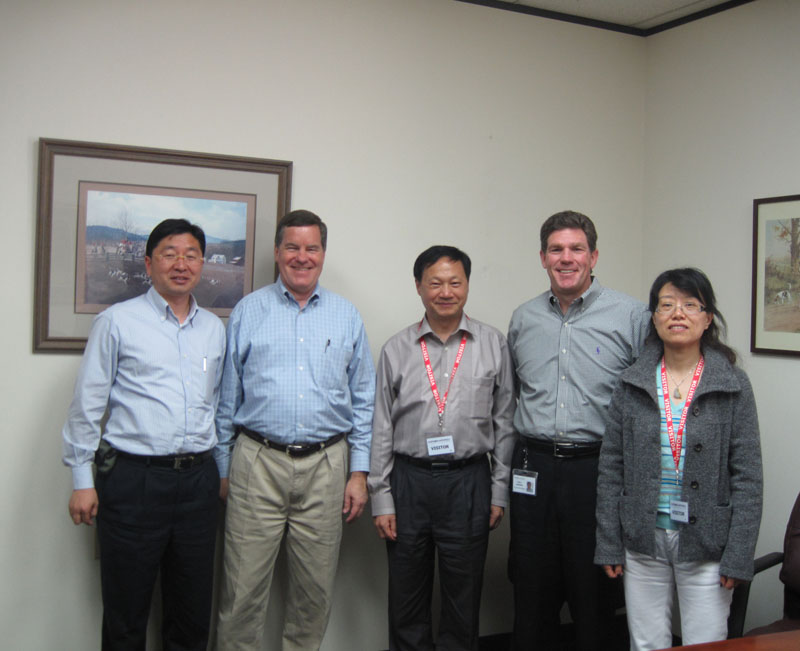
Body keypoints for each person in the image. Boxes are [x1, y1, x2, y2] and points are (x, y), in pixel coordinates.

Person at [214, 209, 375, 651]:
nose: (302, 257)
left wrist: (359, 473)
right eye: (292, 247)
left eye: (311, 248)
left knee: (313, 594)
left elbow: (364, 399)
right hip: (257, 462)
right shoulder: (249, 311)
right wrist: (223, 468)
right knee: (241, 592)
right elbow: (227, 399)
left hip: (327, 465)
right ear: (276, 251)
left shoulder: (346, 315)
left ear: (323, 253)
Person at [62, 219, 226, 651]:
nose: (181, 264)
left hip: (198, 482)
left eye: (191, 255)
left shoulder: (213, 329)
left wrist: (220, 472)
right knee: (126, 614)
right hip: (134, 480)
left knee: (191, 613)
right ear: (149, 262)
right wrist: (81, 480)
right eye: (169, 254)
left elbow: (216, 405)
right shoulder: (117, 322)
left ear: (202, 263)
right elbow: (87, 404)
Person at [595, 268, 763, 650]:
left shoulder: (732, 384)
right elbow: (611, 468)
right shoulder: (632, 381)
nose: (677, 314)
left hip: (707, 541)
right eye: (666, 305)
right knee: (646, 643)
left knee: (706, 642)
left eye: (690, 305)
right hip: (642, 537)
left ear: (708, 318)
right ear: (654, 317)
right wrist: (608, 542)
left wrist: (739, 554)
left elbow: (748, 477)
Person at [507, 210, 650, 650]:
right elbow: (513, 394)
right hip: (532, 468)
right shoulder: (524, 318)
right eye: (556, 249)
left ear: (594, 256)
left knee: (594, 594)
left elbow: (649, 403)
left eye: (576, 249)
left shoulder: (632, 316)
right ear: (542, 257)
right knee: (531, 589)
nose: (566, 258)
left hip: (597, 470)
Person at [369, 245, 516, 651]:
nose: (446, 292)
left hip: (469, 481)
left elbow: (505, 423)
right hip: (408, 482)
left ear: (467, 285)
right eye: (435, 283)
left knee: (462, 599)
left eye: (455, 282)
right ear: (419, 286)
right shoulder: (397, 348)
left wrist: (498, 492)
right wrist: (381, 497)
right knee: (406, 598)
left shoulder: (493, 344)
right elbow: (381, 426)